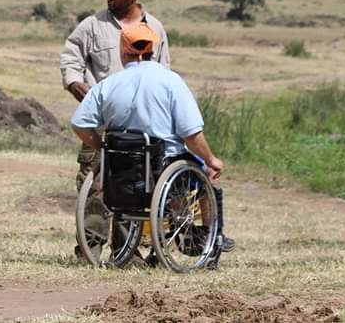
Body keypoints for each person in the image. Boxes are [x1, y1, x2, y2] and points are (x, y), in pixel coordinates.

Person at [70, 23, 234, 253]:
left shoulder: (107, 85)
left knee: (168, 169)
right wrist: (210, 159)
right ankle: (207, 240)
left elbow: (79, 124)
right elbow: (191, 134)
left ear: (122, 51)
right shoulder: (171, 82)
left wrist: (102, 147)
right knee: (208, 175)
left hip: (121, 170)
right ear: (153, 50)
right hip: (163, 167)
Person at [60, 0, 171, 192]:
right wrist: (74, 83)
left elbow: (163, 75)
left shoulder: (154, 28)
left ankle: (127, 228)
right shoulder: (92, 25)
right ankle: (91, 229)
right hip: (102, 121)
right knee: (94, 186)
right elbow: (71, 57)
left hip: (142, 125)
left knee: (134, 188)